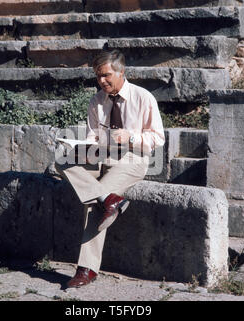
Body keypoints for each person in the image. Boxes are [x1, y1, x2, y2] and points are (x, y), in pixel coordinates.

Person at [55, 50, 165, 288]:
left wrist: (131, 137)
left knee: (93, 203)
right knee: (61, 160)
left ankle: (87, 269)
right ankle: (110, 199)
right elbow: (93, 137)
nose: (101, 81)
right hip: (101, 156)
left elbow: (158, 138)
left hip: (132, 159)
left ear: (121, 72)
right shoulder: (96, 101)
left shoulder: (143, 98)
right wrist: (80, 148)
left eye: (106, 75)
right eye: (98, 77)